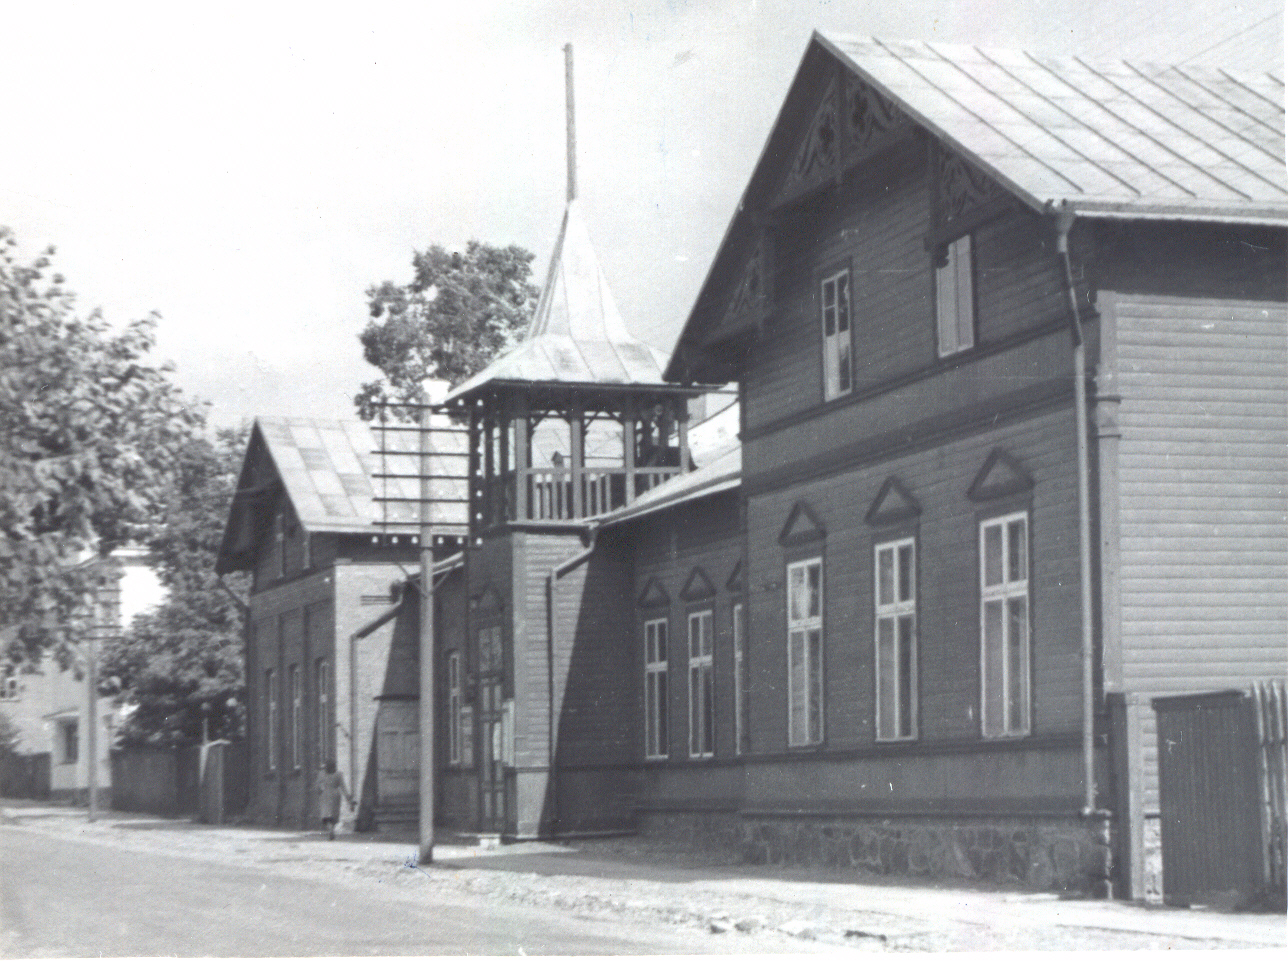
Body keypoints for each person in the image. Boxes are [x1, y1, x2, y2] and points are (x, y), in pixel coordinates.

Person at [317, 761, 352, 840]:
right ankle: (332, 828)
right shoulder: (339, 774)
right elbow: (343, 787)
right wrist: (348, 798)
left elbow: (318, 787)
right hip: (336, 795)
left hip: (325, 795)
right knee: (334, 814)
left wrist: (319, 792)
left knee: (326, 815)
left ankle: (330, 829)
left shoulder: (321, 774)